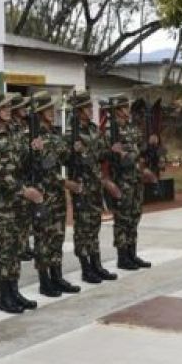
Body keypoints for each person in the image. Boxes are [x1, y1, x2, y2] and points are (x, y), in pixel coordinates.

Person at [0, 88, 44, 313]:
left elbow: (25, 162)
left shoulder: (17, 131)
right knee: (3, 251)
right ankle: (4, 296)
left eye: (8, 106)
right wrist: (24, 191)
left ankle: (15, 292)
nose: (8, 110)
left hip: (19, 203)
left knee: (16, 248)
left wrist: (36, 150)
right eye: (2, 107)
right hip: (0, 204)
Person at [29, 91, 81, 295]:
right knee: (43, 239)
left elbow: (65, 159)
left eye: (52, 108)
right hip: (43, 195)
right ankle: (45, 281)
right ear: (39, 112)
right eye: (47, 109)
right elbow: (43, 169)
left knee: (57, 237)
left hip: (57, 196)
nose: (52, 112)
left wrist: (75, 149)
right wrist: (66, 183)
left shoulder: (55, 134)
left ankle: (57, 276)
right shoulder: (33, 136)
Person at [67, 91, 121, 284]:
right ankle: (86, 268)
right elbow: (66, 160)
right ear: (78, 110)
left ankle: (96, 264)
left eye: (91, 106)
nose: (91, 110)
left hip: (95, 185)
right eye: (87, 107)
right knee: (83, 228)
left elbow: (102, 154)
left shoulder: (93, 129)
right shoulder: (71, 134)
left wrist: (111, 151)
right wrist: (74, 151)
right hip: (82, 186)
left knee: (94, 226)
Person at [105, 95, 158, 270]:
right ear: (118, 111)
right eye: (124, 107)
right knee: (122, 219)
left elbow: (140, 152)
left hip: (136, 180)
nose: (128, 110)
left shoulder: (133, 129)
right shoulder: (111, 132)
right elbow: (106, 157)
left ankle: (132, 253)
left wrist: (150, 144)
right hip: (122, 181)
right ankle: (122, 257)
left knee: (135, 216)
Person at [9, 95, 36, 261]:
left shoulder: (25, 125)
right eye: (22, 107)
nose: (25, 109)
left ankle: (24, 245)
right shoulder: (12, 127)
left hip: (26, 175)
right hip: (15, 179)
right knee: (18, 215)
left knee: (26, 215)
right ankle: (18, 247)